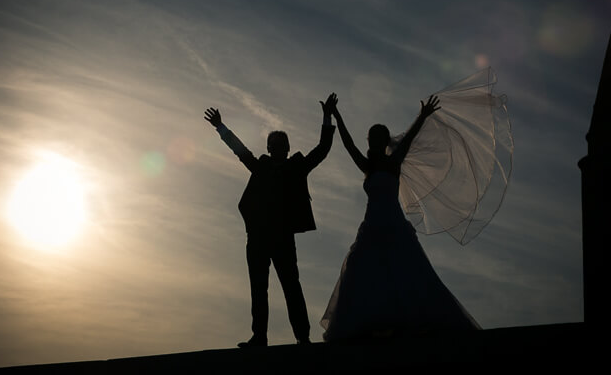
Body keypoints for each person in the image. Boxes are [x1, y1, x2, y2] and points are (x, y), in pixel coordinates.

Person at [320, 94, 480, 342]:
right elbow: (348, 143)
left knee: (407, 274)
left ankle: (410, 322)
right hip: (371, 226)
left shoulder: (394, 162)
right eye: (370, 139)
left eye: (376, 139)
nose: (371, 142)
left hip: (394, 225)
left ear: (383, 141)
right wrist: (335, 115)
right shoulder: (367, 166)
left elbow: (409, 139)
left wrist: (423, 116)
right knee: (363, 274)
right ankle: (372, 324)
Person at [204, 94, 336, 347]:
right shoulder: (261, 166)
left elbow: (322, 149)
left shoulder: (296, 166)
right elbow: (240, 150)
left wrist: (327, 116)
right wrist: (220, 126)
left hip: (282, 237)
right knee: (258, 288)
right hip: (257, 237)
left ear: (287, 148)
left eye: (280, 143)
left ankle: (302, 336)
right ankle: (260, 336)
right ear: (268, 148)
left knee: (291, 287)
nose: (276, 147)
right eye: (272, 143)